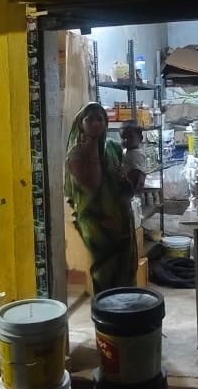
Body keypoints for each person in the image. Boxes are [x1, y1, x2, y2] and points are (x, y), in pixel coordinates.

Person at [65, 103, 137, 293]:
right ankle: (105, 309)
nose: (96, 124)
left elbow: (125, 185)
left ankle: (127, 307)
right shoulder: (76, 154)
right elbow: (92, 186)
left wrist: (124, 181)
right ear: (80, 124)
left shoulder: (112, 147)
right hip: (96, 223)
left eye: (100, 119)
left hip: (120, 219)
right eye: (89, 120)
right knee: (104, 272)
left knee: (125, 270)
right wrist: (93, 146)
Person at [120, 120, 148, 196]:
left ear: (140, 138)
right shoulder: (128, 151)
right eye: (123, 137)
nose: (126, 140)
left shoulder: (137, 154)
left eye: (130, 137)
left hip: (130, 190)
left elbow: (137, 175)